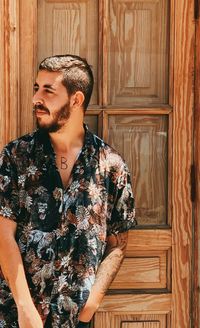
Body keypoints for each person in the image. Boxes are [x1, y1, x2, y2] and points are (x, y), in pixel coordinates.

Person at [0, 54, 136, 328]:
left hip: (76, 320)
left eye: (48, 91)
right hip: (15, 316)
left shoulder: (111, 166)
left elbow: (118, 243)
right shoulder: (15, 157)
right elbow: (3, 234)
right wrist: (25, 309)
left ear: (76, 100)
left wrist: (91, 305)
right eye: (36, 88)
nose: (36, 99)